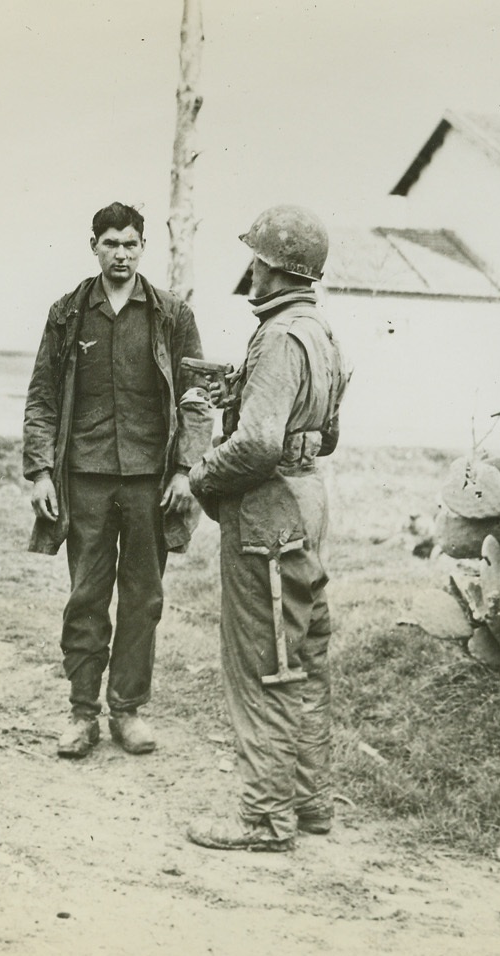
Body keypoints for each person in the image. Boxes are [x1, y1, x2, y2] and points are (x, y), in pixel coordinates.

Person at [186, 205, 348, 851]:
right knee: (302, 659)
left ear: (275, 266)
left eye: (256, 257)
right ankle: (309, 805)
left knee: (264, 667)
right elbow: (326, 435)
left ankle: (263, 818)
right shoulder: (320, 332)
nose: (248, 268)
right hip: (305, 504)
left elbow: (255, 446)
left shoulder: (279, 336)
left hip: (267, 513)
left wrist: (201, 477)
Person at [23, 201, 211, 758]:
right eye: (111, 243)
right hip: (85, 477)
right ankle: (82, 713)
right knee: (86, 594)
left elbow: (197, 399)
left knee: (143, 596)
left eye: (131, 243)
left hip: (152, 482)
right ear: (94, 247)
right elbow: (42, 396)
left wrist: (185, 468)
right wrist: (39, 471)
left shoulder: (171, 315)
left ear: (143, 247)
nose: (121, 253)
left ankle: (127, 710)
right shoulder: (67, 314)